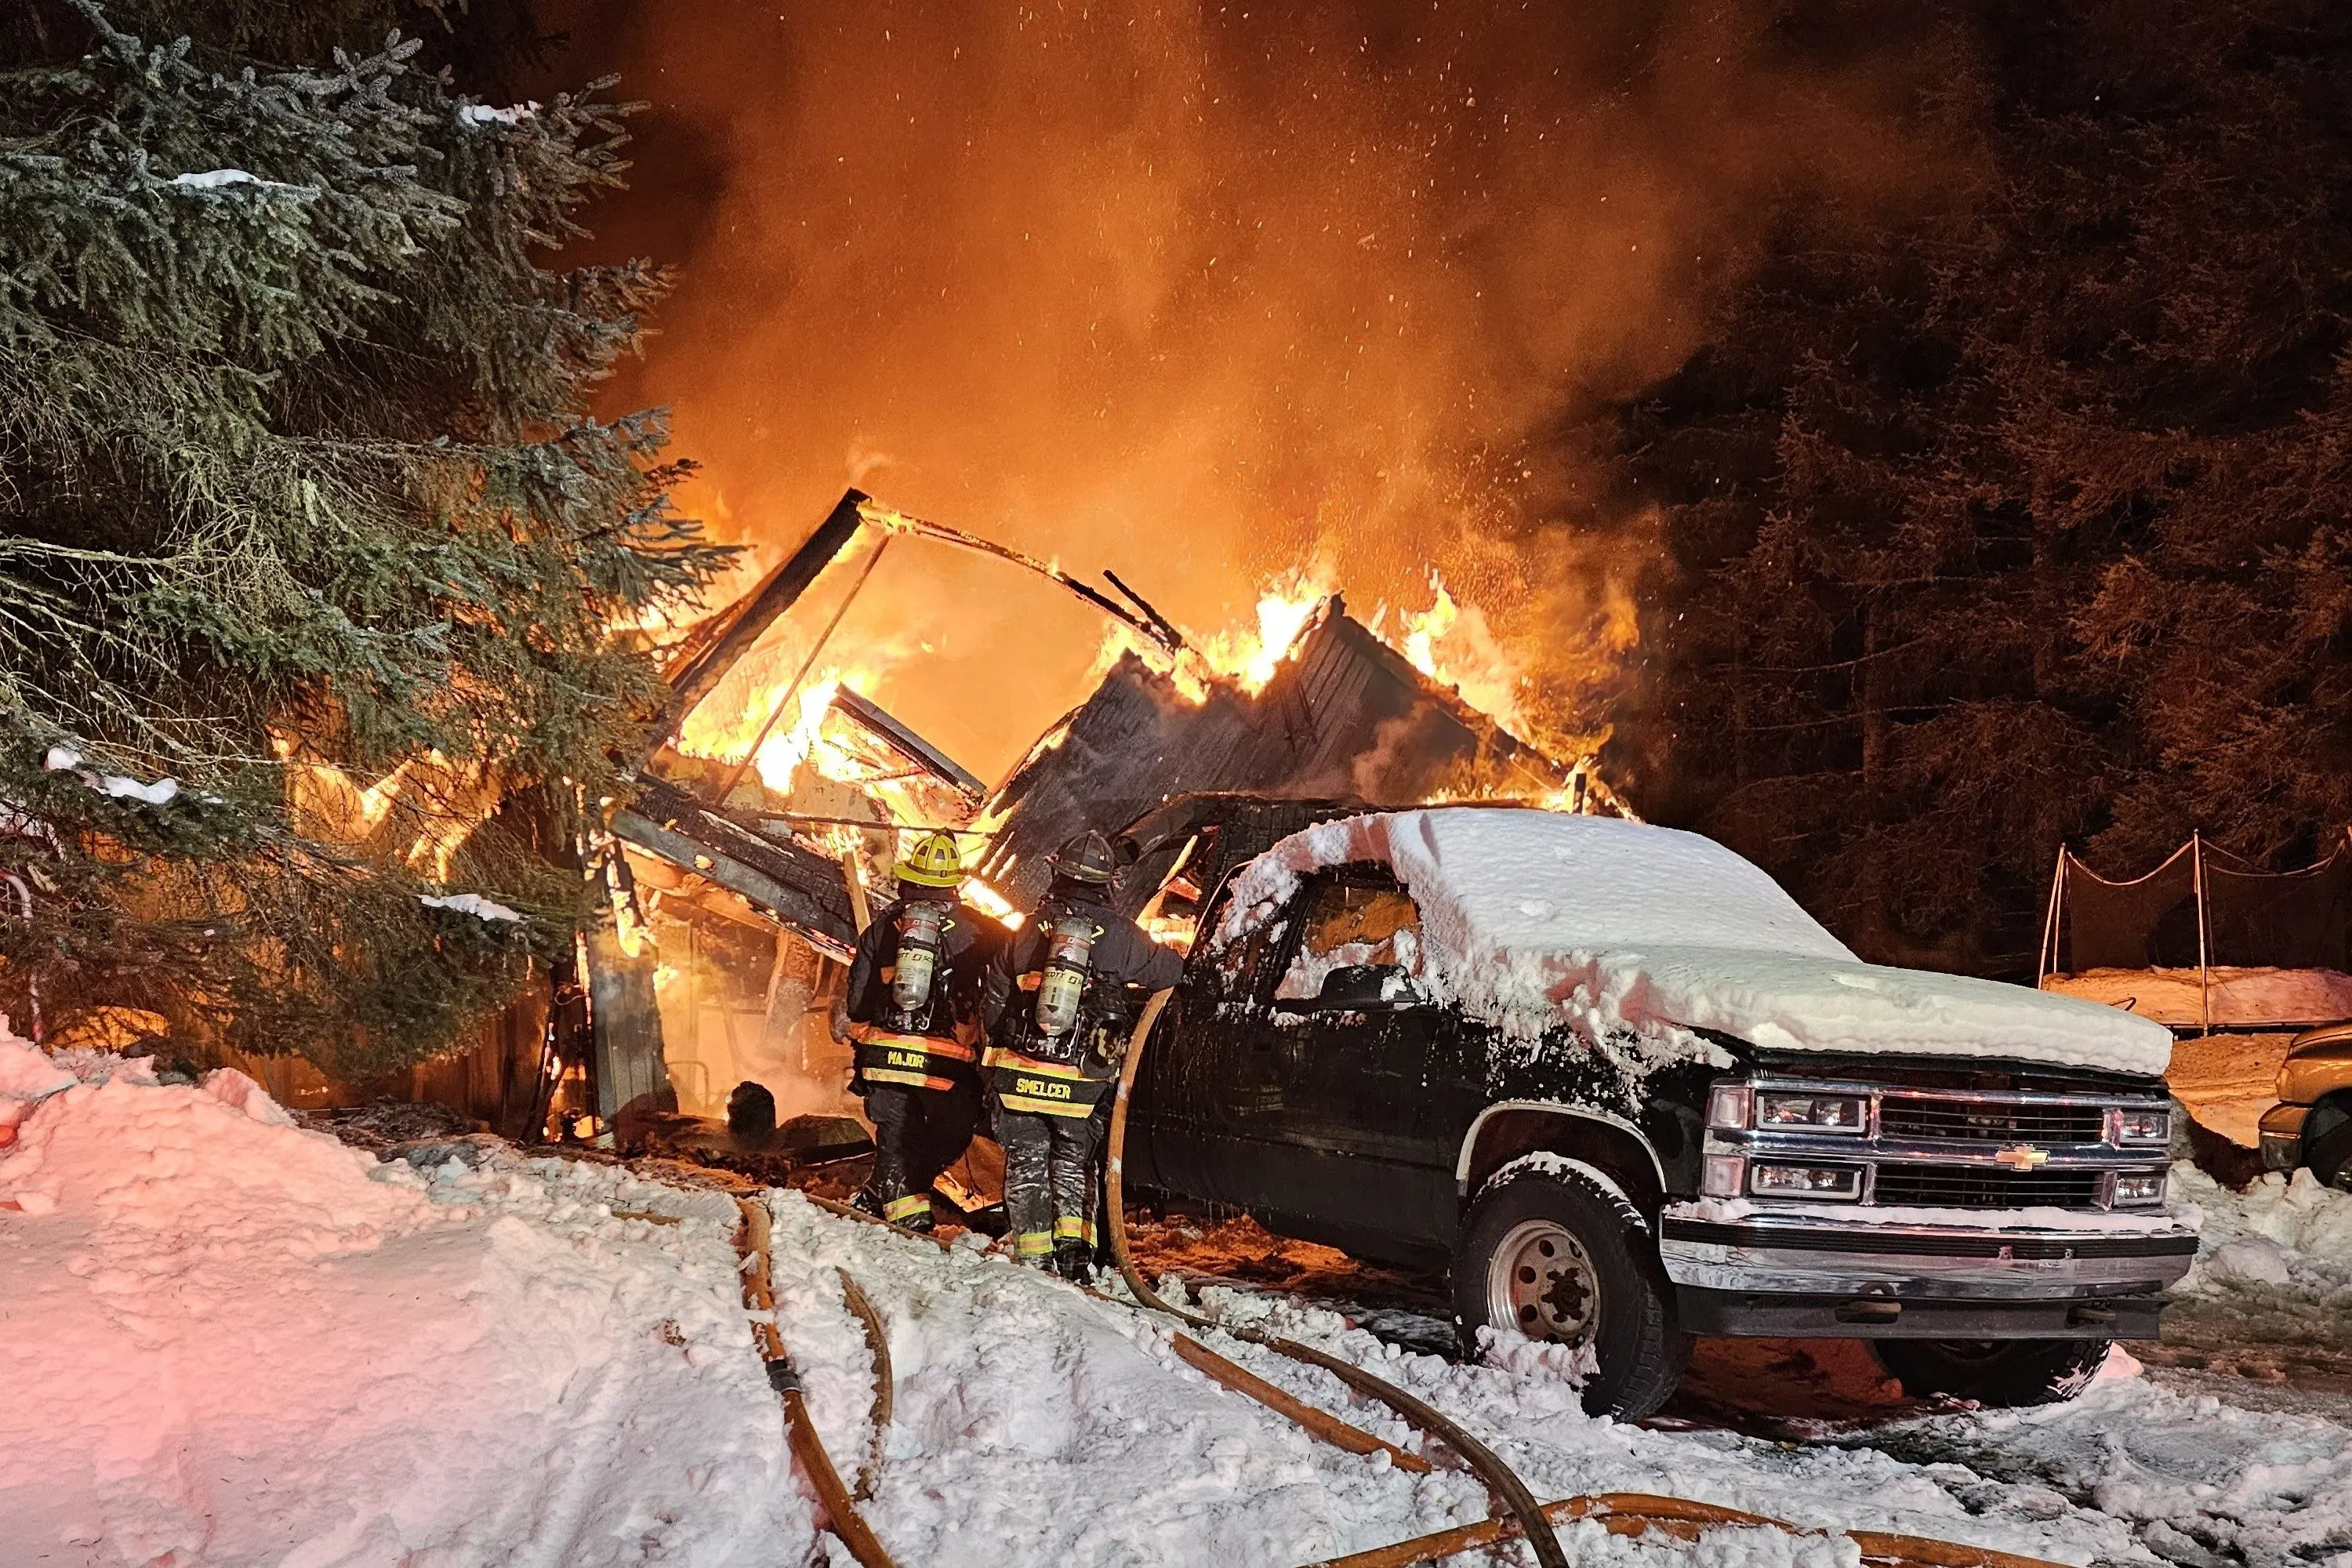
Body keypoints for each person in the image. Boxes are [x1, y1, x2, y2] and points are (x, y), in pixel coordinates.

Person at [985, 829, 1182, 1279]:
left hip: (1020, 1074)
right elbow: (1171, 972)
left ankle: (1033, 1259)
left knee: (1028, 1161)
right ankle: (1074, 1257)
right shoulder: (1121, 936)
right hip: (1082, 1081)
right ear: (1107, 882)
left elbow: (995, 992)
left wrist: (1000, 1042)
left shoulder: (1028, 930)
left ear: (1057, 874)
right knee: (1075, 1161)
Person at [843, 830, 1005, 1232]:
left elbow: (857, 1004)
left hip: (886, 1057)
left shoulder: (882, 930)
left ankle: (897, 1205)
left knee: (896, 1137)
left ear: (910, 879)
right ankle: (907, 1213)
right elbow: (1007, 983)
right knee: (948, 1135)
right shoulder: (984, 932)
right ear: (954, 884)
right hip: (946, 1067)